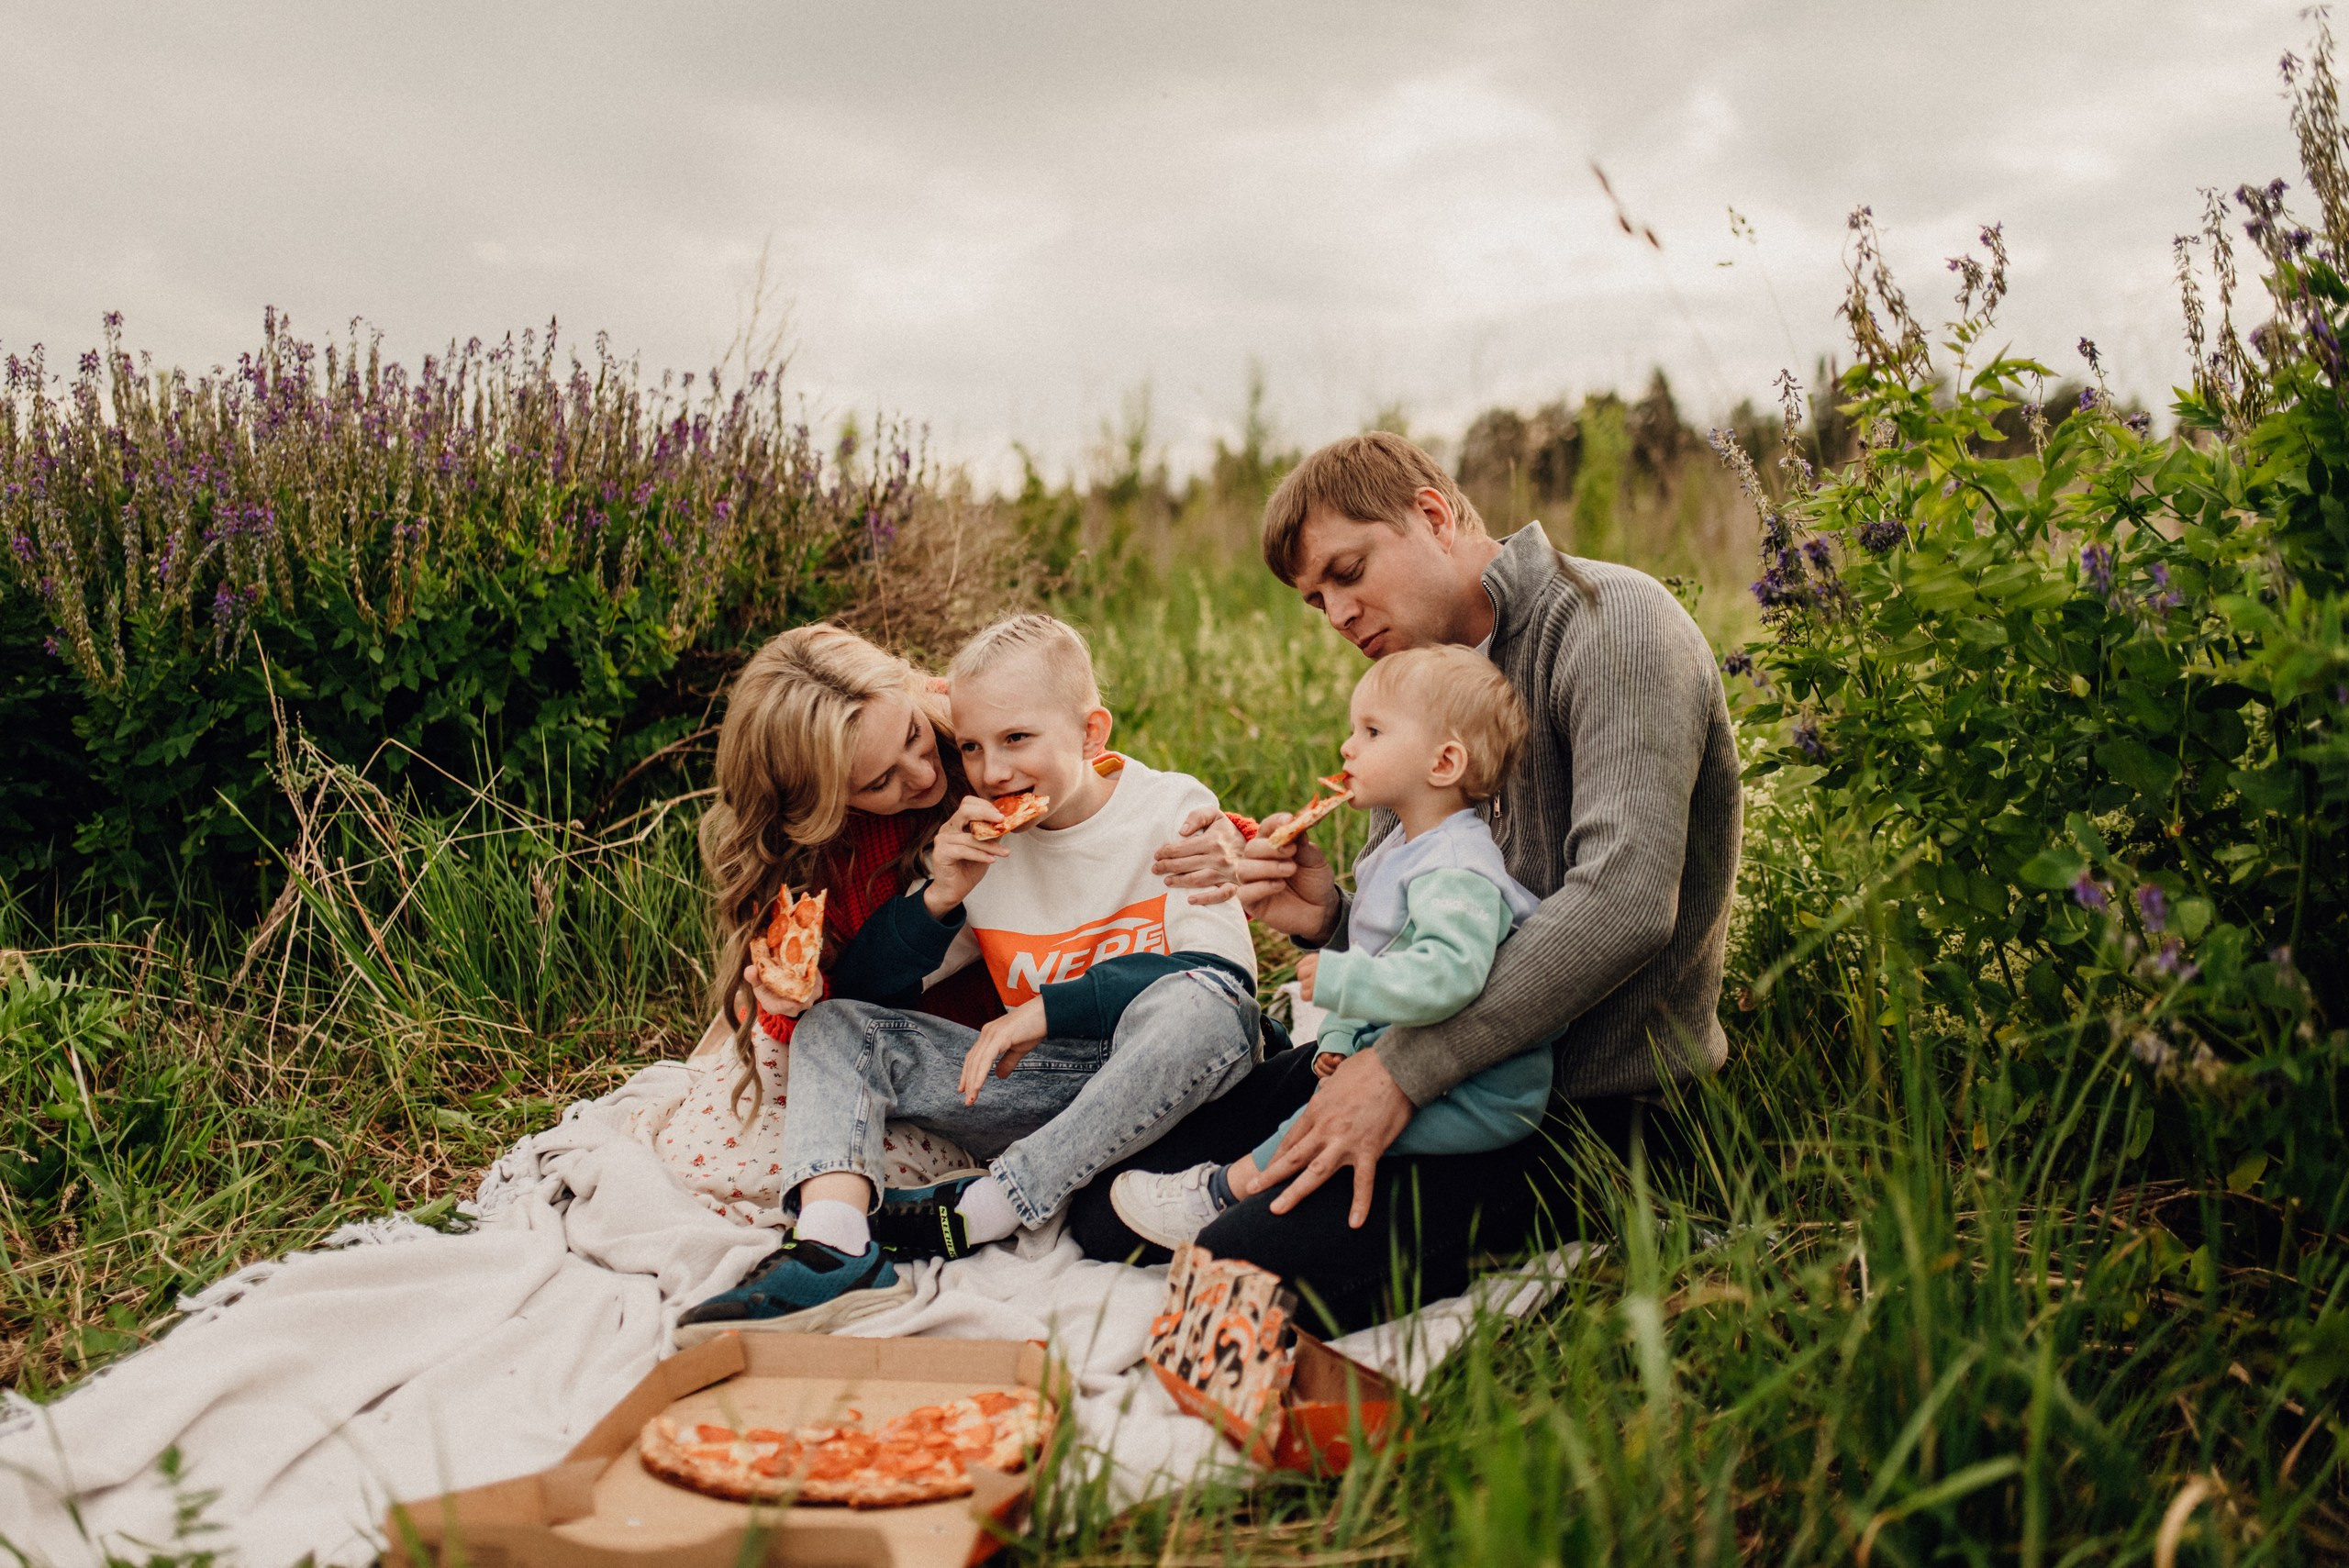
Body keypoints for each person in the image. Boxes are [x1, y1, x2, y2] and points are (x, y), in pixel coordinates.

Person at [1067, 431, 1742, 1332]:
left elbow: (1624, 902)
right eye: (1316, 599)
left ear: (1432, 513)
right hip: (1426, 1061)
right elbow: (1430, 947)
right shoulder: (1408, 683)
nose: (1338, 612)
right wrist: (1327, 920)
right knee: (1104, 1204)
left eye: (1348, 571)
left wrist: (1404, 1070)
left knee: (1233, 1279)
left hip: (1585, 1109)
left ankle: (1589, 1221)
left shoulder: (1613, 624)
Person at [678, 614, 1264, 1337]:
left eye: (925, 743)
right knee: (832, 1026)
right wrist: (936, 899)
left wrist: (1051, 1008)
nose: (977, 773)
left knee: (1202, 1008)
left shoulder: (1172, 813)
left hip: (1175, 1077)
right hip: (1046, 1087)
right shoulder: (983, 846)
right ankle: (834, 1247)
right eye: (972, 749)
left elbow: (1222, 982)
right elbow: (873, 1005)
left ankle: (991, 1206)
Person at [1108, 644, 1542, 1247]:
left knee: (1320, 1119)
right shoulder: (1401, 849)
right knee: (1326, 1090)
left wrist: (1342, 980)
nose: (1347, 747)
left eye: (1372, 731)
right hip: (1418, 1050)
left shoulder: (1458, 867)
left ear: (1443, 762)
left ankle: (1221, 1193)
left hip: (1483, 1091)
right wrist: (1337, 1036)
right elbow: (1379, 948)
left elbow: (1449, 977)